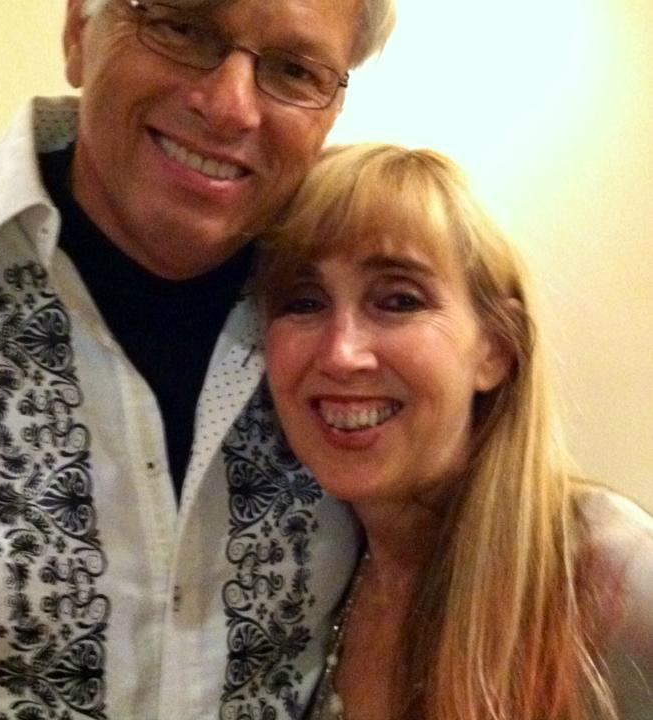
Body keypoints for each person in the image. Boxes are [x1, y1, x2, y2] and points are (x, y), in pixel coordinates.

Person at [0, 0, 395, 719]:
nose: (229, 106)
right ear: (80, 25)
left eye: (292, 69)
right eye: (182, 27)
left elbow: (496, 508)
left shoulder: (357, 331)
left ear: (333, 104)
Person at [260, 144, 653, 720]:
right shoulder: (319, 570)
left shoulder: (606, 571)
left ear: (495, 349)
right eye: (305, 301)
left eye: (399, 300)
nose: (341, 353)